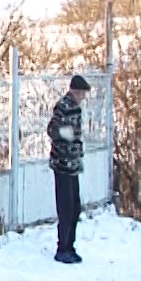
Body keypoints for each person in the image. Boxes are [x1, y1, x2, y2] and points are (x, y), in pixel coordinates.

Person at [47, 73, 91, 264]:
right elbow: (52, 130)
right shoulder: (63, 107)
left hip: (73, 165)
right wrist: (66, 135)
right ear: (75, 91)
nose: (83, 97)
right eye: (82, 93)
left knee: (75, 208)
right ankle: (62, 247)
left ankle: (70, 246)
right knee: (65, 209)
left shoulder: (76, 109)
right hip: (62, 164)